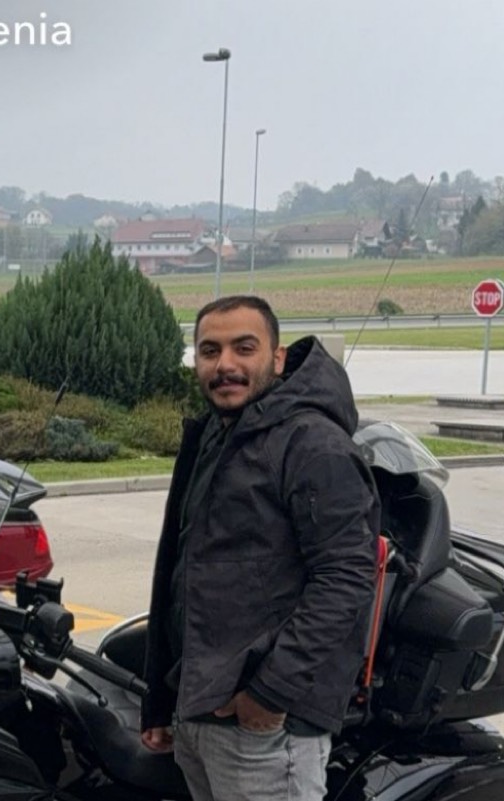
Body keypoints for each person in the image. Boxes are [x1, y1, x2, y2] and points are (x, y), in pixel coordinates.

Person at [139, 296, 380, 801]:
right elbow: (180, 570)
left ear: (278, 357)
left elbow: (346, 579)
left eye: (243, 348)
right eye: (210, 351)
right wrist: (161, 699)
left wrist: (270, 693)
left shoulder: (312, 443)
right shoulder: (217, 435)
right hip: (202, 709)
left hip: (265, 725)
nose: (224, 364)